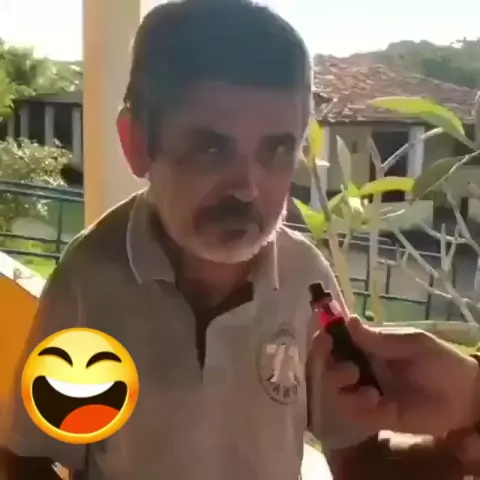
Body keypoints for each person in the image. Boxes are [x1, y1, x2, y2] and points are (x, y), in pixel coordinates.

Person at [0, 1, 480, 479]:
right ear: (136, 143)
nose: (247, 188)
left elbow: (358, 462)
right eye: (211, 147)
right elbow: (29, 456)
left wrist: (462, 447)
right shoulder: (91, 281)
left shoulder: (306, 283)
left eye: (277, 149)